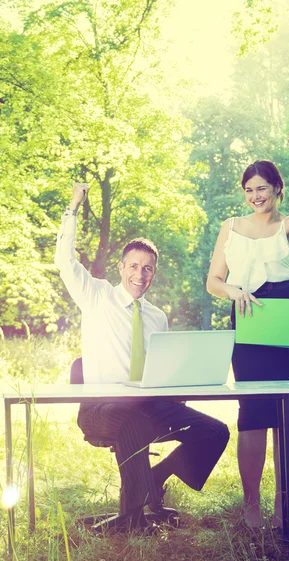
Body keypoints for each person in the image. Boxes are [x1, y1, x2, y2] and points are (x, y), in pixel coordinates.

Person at [55, 183, 230, 532]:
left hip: (149, 404)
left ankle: (153, 478)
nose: (140, 274)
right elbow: (64, 260)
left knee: (215, 432)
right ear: (121, 268)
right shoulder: (96, 296)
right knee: (130, 421)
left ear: (154, 272)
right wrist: (73, 206)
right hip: (102, 409)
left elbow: (162, 369)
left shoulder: (156, 316)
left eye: (147, 268)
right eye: (133, 266)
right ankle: (132, 520)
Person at [207, 133, 289, 528]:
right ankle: (251, 506)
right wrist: (231, 289)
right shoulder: (230, 226)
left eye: (262, 188)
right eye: (249, 190)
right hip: (248, 316)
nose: (255, 195)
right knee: (253, 413)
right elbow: (213, 280)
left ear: (277, 189)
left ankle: (284, 504)